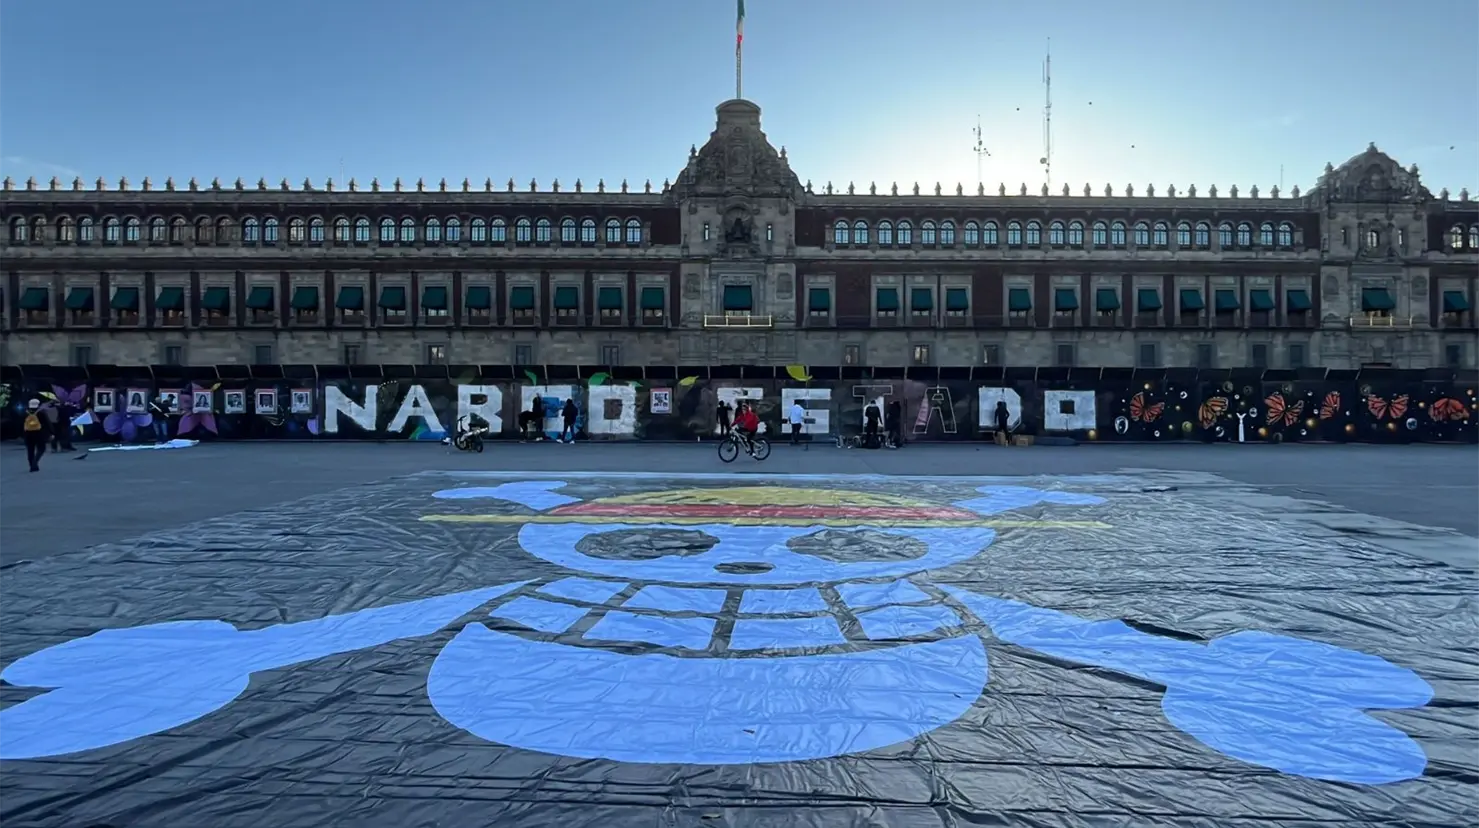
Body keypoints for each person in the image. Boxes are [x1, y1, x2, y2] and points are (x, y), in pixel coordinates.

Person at [23, 399, 48, 472]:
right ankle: (35, 463)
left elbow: (20, 424)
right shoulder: (41, 413)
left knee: (30, 450)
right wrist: (51, 433)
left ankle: (32, 465)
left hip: (28, 434)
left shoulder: (25, 413)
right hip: (39, 433)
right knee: (41, 448)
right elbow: (47, 423)